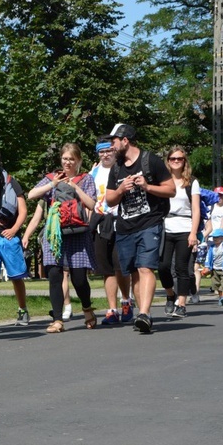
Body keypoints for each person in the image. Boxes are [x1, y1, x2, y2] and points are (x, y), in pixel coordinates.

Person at [104, 123, 176, 333]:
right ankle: (141, 314)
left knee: (146, 267)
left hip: (150, 223)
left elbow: (171, 189)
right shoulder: (116, 167)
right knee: (134, 271)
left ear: (125, 140)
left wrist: (147, 186)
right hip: (125, 227)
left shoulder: (150, 160)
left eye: (114, 142)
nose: (111, 146)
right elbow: (109, 200)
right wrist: (120, 190)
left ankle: (144, 313)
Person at [28, 142, 97, 333]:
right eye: (65, 158)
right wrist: (53, 184)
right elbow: (32, 194)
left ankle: (87, 309)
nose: (67, 162)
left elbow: (91, 204)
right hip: (55, 234)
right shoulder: (53, 177)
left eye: (71, 159)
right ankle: (57, 320)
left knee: (79, 279)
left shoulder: (86, 179)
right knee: (54, 275)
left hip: (77, 233)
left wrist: (74, 187)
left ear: (79, 160)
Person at [89, 139, 133, 325]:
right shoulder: (94, 173)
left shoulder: (123, 169)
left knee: (121, 266)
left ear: (115, 152)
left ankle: (126, 301)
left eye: (108, 151)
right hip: (101, 223)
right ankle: (112, 309)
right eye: (102, 152)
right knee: (106, 269)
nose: (105, 155)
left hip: (120, 221)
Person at [0, 155, 31, 326]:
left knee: (16, 277)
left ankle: (23, 309)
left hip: (9, 238)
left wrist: (14, 230)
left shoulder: (12, 183)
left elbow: (23, 211)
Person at [158, 147, 200, 319]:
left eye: (180, 159)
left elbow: (196, 210)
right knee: (163, 266)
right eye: (173, 158)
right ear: (168, 161)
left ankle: (181, 303)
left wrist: (193, 233)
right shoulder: (162, 181)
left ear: (184, 161)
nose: (176, 161)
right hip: (165, 226)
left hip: (185, 227)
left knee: (182, 268)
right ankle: (170, 294)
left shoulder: (192, 182)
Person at [22, 200, 73, 320]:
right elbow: (36, 218)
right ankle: (61, 310)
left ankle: (67, 307)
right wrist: (26, 235)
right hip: (52, 235)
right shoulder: (45, 197)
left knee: (67, 274)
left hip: (69, 233)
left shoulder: (69, 190)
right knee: (56, 274)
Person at [202, 228, 223, 306]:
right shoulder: (211, 248)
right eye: (214, 237)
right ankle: (221, 298)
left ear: (222, 237)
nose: (215, 239)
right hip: (214, 269)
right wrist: (207, 266)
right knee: (217, 285)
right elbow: (208, 257)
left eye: (217, 237)